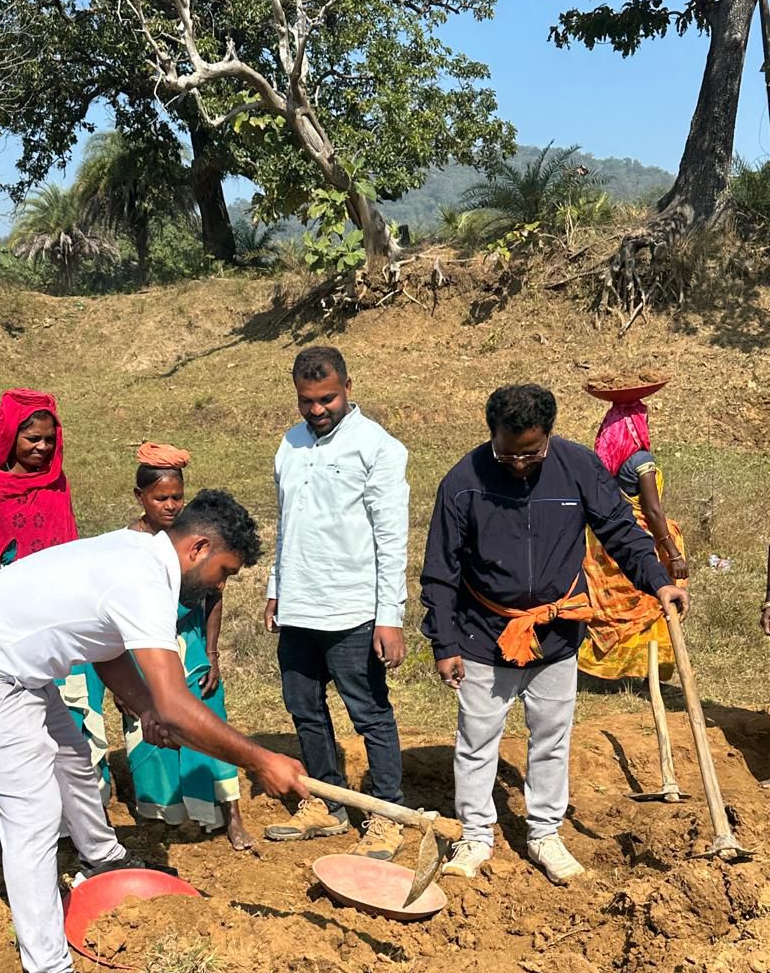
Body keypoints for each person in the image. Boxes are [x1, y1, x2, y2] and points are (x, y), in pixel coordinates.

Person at [0, 489, 308, 973]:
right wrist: (261, 760)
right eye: (224, 572)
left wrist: (145, 707)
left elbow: (105, 651)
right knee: (33, 811)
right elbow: (178, 705)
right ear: (198, 548)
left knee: (74, 760)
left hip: (19, 675)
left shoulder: (137, 554)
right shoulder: (144, 580)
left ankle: (101, 859)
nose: (221, 585)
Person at [420, 384, 689, 885]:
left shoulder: (579, 468)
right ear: (491, 436)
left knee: (550, 738)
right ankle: (476, 836)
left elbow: (621, 532)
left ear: (550, 435)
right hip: (484, 634)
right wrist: (445, 643)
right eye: (509, 452)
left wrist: (660, 583)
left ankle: (545, 833)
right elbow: (440, 570)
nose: (521, 463)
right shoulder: (463, 481)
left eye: (532, 452)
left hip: (558, 631)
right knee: (477, 741)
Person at [263, 346, 410, 862]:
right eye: (307, 401)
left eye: (327, 398)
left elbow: (392, 539)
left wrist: (389, 617)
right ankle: (326, 803)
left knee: (368, 713)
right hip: (299, 607)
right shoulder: (290, 444)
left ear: (348, 386)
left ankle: (388, 814)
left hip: (353, 609)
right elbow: (287, 524)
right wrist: (275, 589)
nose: (317, 409)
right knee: (304, 708)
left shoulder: (378, 448)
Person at [0, 388, 112, 865]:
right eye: (31, 437)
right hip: (11, 628)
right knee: (20, 735)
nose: (42, 447)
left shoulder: (57, 484)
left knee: (73, 729)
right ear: (10, 436)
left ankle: (75, 833)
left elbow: (67, 555)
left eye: (49, 438)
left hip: (58, 624)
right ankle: (5, 833)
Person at [123, 442, 253, 851]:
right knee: (152, 730)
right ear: (140, 497)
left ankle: (230, 814)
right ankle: (162, 817)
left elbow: (215, 593)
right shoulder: (132, 545)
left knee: (209, 716)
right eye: (161, 498)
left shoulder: (195, 539)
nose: (171, 505)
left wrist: (212, 653)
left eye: (177, 497)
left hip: (190, 641)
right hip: (144, 648)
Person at [579, 388, 689, 680]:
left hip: (610, 540)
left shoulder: (606, 460)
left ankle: (627, 670)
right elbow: (652, 510)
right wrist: (673, 552)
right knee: (653, 605)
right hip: (645, 541)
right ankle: (649, 673)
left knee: (624, 610)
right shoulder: (641, 461)